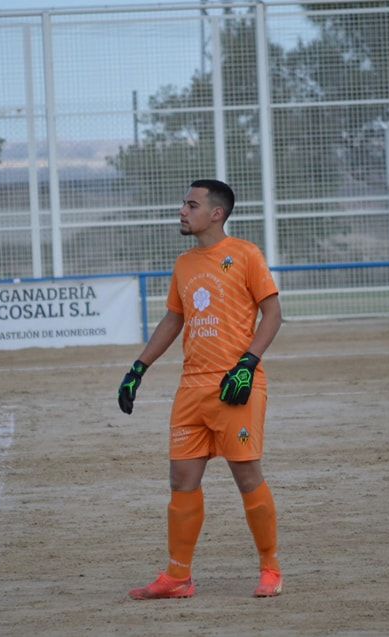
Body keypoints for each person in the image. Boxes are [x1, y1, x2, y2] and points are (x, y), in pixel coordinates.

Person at [117, 179, 284, 599]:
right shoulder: (183, 265)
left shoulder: (245, 255)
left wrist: (248, 363)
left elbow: (273, 312)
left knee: (247, 476)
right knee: (182, 480)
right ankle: (178, 577)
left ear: (216, 213)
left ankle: (270, 568)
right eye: (183, 204)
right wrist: (139, 367)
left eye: (191, 204)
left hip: (236, 385)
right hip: (192, 386)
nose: (182, 211)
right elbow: (174, 320)